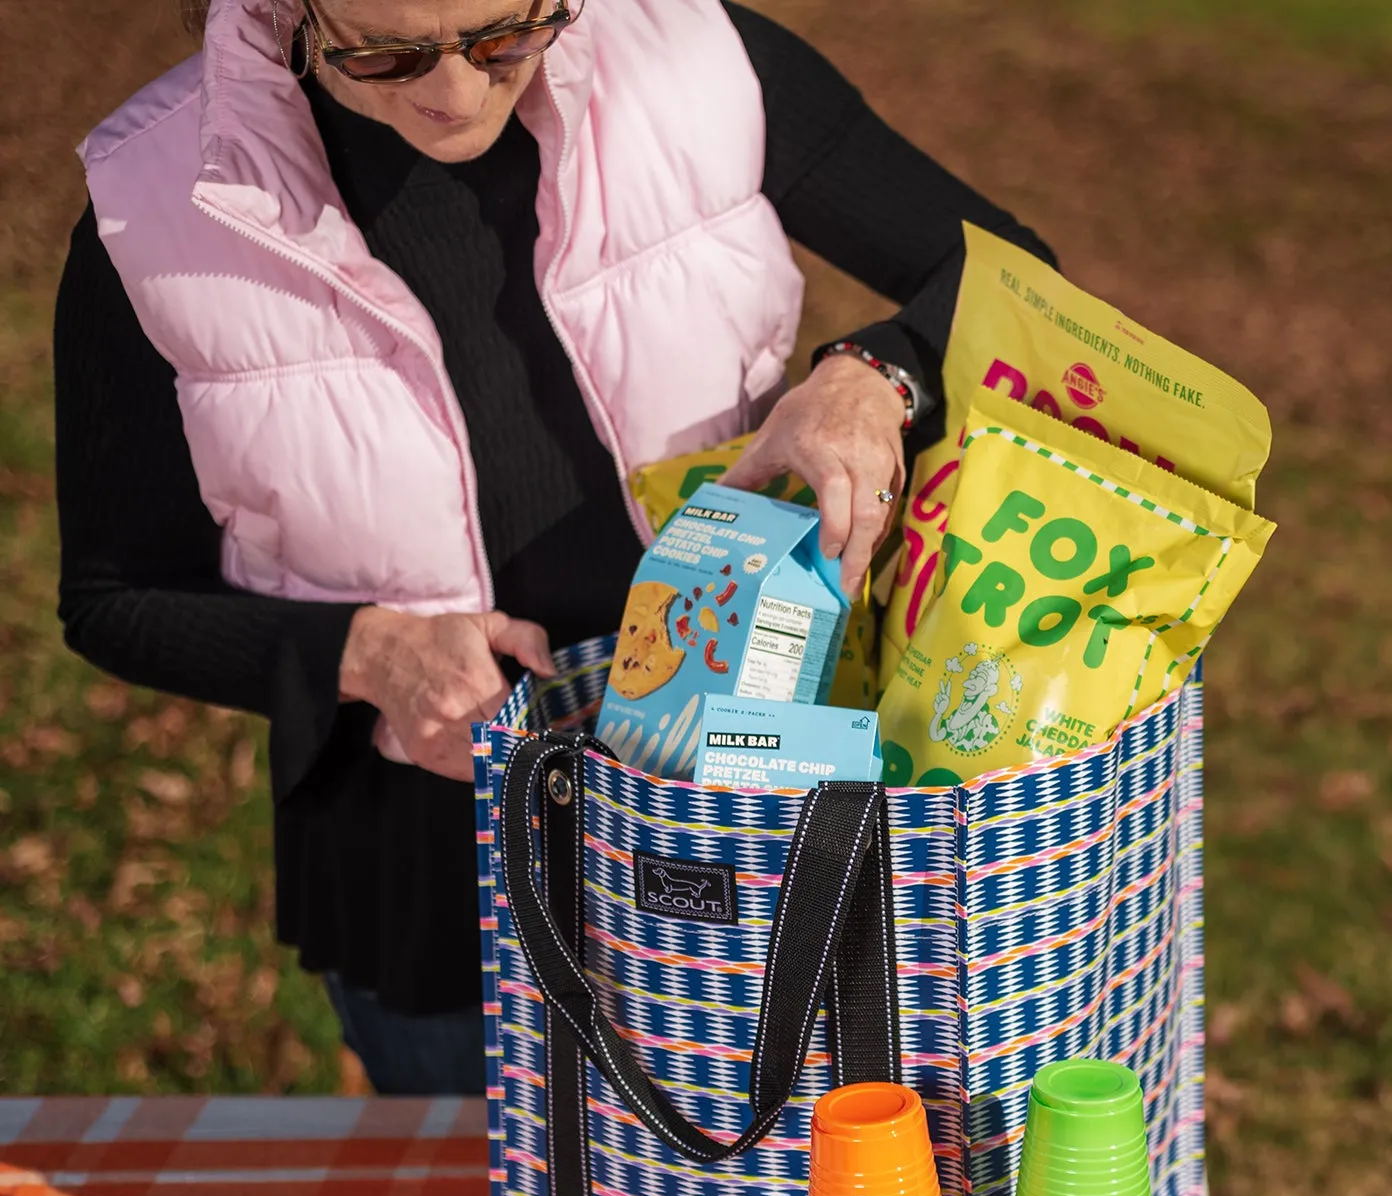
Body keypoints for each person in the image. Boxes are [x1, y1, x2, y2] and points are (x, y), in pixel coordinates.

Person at [54, 0, 1054, 1095]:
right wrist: (367, 654)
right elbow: (117, 596)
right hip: (438, 875)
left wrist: (877, 375)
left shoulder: (697, 61)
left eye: (505, 38)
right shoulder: (154, 208)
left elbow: (1012, 277)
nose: (454, 96)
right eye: (382, 55)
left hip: (754, 813)